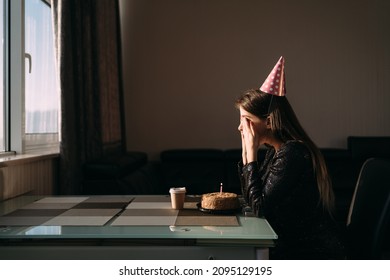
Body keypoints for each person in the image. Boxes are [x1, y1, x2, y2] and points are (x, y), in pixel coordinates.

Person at [236, 57, 345, 259]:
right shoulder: (274, 152)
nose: (241, 127)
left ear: (268, 122)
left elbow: (259, 208)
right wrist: (245, 156)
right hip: (289, 245)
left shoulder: (293, 153)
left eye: (247, 120)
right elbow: (251, 201)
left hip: (309, 252)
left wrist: (250, 156)